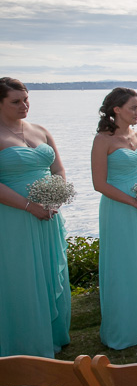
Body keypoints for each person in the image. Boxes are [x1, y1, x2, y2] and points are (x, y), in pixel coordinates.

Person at [0, 77, 71, 358]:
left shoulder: (40, 130)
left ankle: (54, 334)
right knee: (22, 275)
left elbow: (59, 169)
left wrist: (54, 200)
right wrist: (30, 206)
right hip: (14, 217)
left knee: (52, 268)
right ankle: (25, 342)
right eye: (15, 101)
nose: (24, 105)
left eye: (26, 99)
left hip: (49, 214)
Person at [91, 87, 137, 350]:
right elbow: (99, 183)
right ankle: (124, 327)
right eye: (133, 108)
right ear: (116, 110)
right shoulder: (103, 140)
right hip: (119, 211)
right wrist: (133, 202)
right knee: (124, 265)